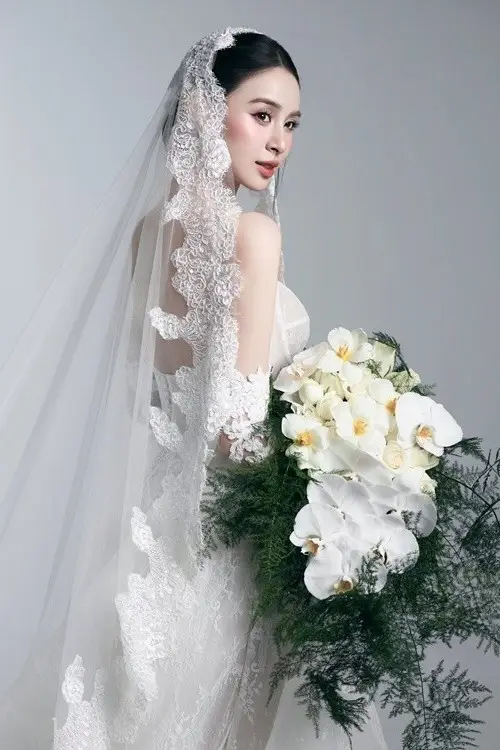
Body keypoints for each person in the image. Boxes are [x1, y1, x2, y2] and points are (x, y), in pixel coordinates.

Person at [0, 28, 388, 748]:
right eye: (262, 114)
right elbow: (236, 434)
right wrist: (345, 467)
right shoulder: (254, 237)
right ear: (209, 112)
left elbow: (148, 396)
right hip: (235, 554)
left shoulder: (148, 234)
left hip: (158, 538)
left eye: (291, 124)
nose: (279, 142)